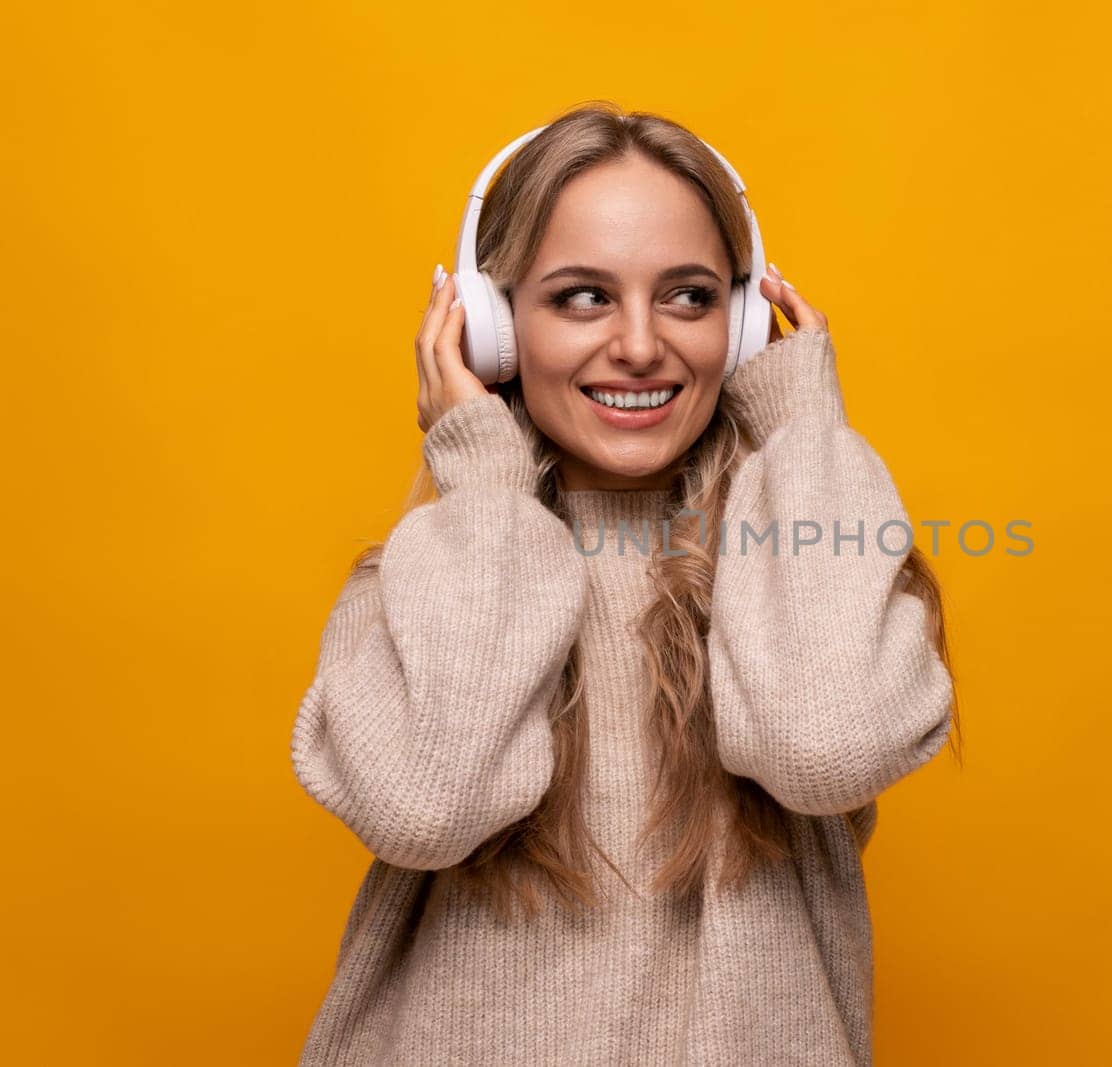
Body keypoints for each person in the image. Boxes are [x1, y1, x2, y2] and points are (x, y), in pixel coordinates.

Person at [289, 101, 962, 1065]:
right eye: (581, 297)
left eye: (688, 296)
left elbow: (825, 748)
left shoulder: (803, 557)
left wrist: (804, 429)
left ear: (738, 328)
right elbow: (425, 805)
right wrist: (482, 478)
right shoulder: (419, 581)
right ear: (490, 329)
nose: (642, 345)